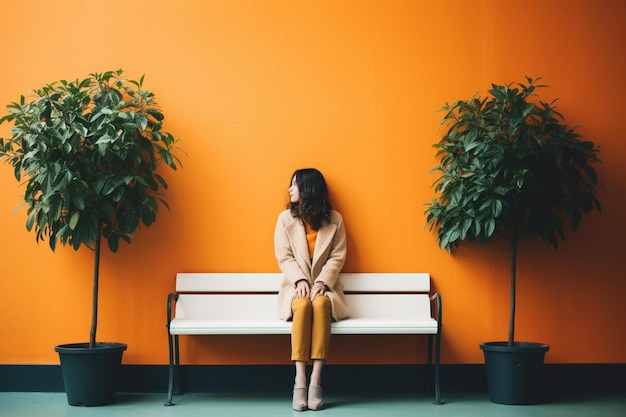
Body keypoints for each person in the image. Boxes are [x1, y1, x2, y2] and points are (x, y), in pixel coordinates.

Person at [274, 168, 349, 411]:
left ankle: (316, 377)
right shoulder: (285, 219)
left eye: (294, 185)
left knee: (321, 303)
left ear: (309, 188)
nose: (290, 189)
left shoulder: (335, 219)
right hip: (295, 289)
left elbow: (337, 257)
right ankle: (300, 379)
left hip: (325, 288)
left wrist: (321, 282)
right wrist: (299, 281)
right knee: (304, 304)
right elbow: (284, 257)